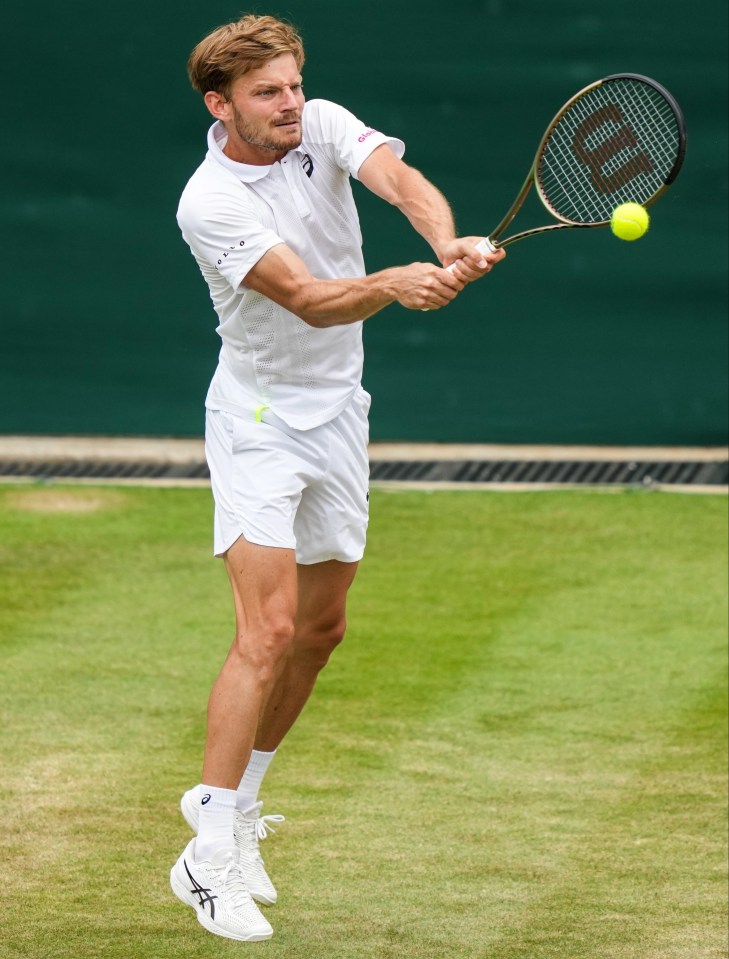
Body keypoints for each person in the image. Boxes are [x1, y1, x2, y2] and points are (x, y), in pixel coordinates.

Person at [169, 13, 505, 942]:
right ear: (220, 103)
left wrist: (443, 242)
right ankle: (206, 849)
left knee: (321, 628)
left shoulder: (316, 125)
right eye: (267, 92)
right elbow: (311, 300)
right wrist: (397, 283)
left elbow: (397, 179)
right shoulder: (209, 201)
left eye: (293, 85)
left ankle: (242, 811)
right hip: (260, 421)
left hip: (337, 414)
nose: (289, 104)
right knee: (267, 628)